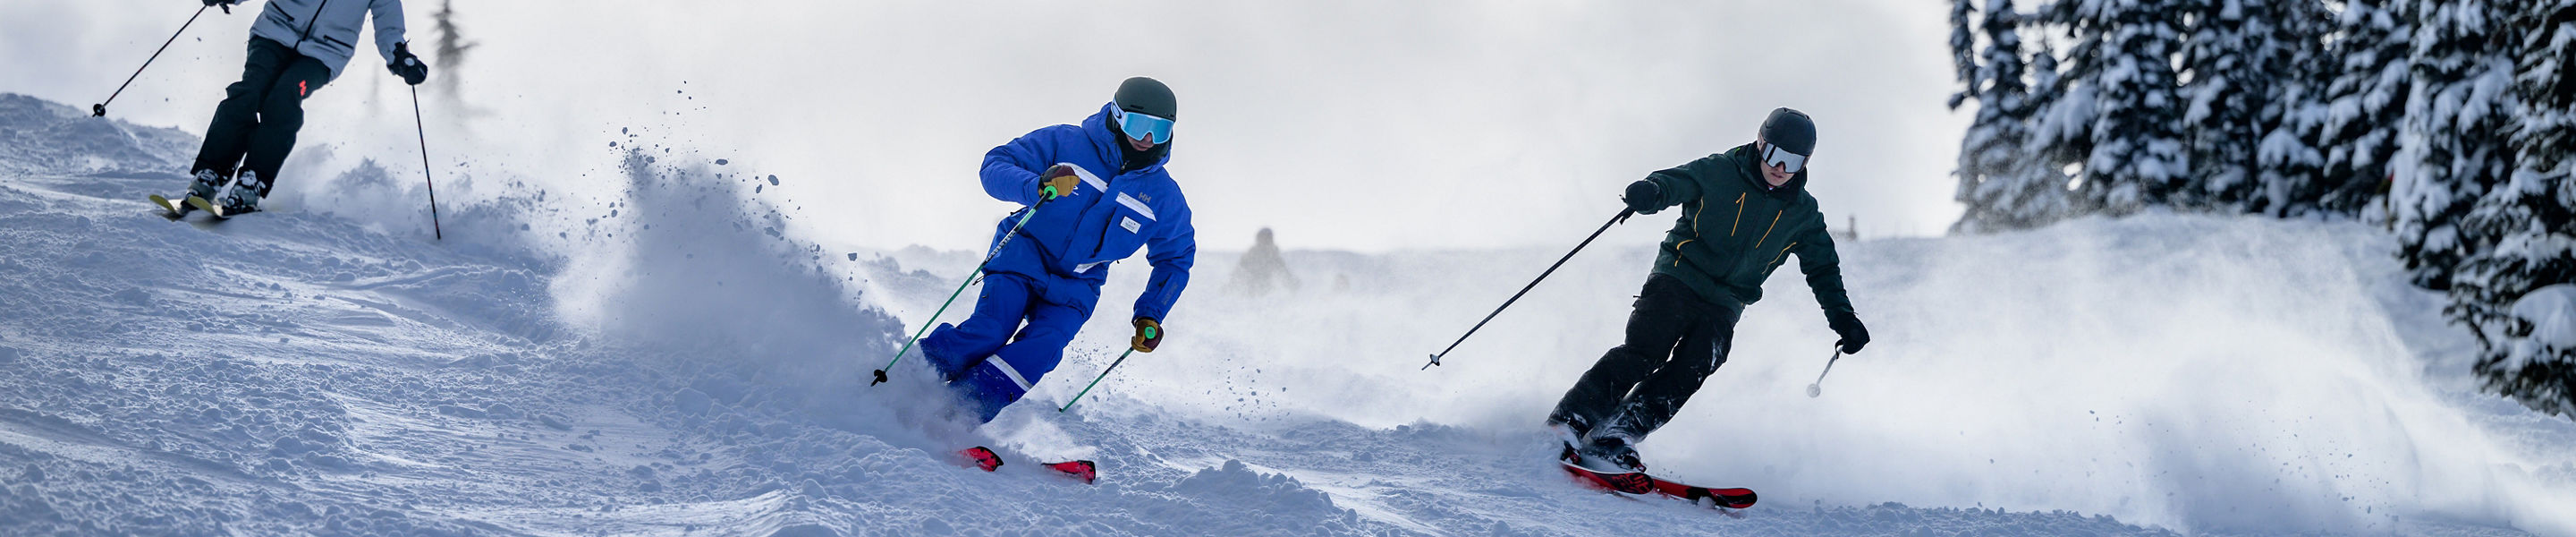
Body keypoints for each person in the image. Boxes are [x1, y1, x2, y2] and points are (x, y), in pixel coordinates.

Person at [1548, 107, 1870, 471]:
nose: (1780, 168)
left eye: (1792, 162)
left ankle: (1617, 434)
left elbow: (1823, 269)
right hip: (1679, 275)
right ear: (1761, 143)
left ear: (1805, 163)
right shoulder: (1721, 171)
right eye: (1774, 155)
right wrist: (1651, 191)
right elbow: (1675, 182)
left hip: (1728, 301)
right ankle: (1571, 419)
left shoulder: (1803, 215)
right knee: (1646, 348)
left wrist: (1843, 318)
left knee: (1697, 364)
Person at [917, 77, 1198, 423]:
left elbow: (1176, 258)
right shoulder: (1066, 143)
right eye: (1140, 125)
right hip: (1022, 257)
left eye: (1161, 129)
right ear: (1117, 115)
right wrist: (1035, 185)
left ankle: (957, 415)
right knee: (991, 330)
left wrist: (1151, 312)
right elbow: (994, 164)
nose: (1148, 139)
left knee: (1042, 349)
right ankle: (910, 377)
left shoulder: (1163, 196)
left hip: (1076, 287)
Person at [165, 0, 427, 216]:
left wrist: (400, 57)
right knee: (249, 91)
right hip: (274, 32)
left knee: (284, 97)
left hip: (324, 53)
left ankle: (253, 181)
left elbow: (388, 21)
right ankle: (211, 174)